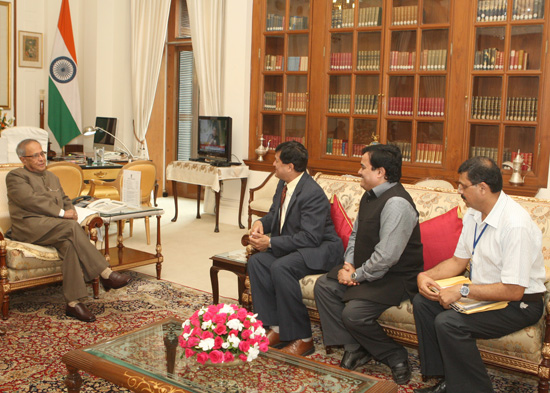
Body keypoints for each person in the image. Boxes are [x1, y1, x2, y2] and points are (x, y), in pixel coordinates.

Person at [412, 156, 546, 393]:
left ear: (482, 188)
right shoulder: (474, 214)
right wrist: (425, 276)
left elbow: (514, 290)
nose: (459, 191)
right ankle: (446, 380)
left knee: (449, 322)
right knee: (423, 301)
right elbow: (457, 261)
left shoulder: (515, 224)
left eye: (463, 186)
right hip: (486, 296)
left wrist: (463, 290)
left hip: (520, 304)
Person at [314, 143, 423, 385]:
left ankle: (394, 355)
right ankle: (355, 347)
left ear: (380, 172)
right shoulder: (370, 194)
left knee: (354, 314)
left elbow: (387, 257)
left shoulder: (397, 203)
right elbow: (355, 234)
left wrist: (356, 276)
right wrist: (348, 265)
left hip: (396, 277)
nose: (359, 171)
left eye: (363, 167)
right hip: (367, 270)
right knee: (324, 286)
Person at [6, 139, 132, 323]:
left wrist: (71, 211)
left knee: (69, 244)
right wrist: (63, 214)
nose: (42, 159)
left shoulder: (51, 176)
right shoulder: (15, 176)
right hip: (29, 227)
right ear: (23, 159)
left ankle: (73, 303)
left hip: (55, 227)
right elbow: (31, 201)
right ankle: (105, 274)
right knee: (71, 227)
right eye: (35, 156)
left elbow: (65, 198)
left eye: (42, 154)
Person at [247, 141, 344, 356]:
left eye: (277, 161)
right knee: (257, 262)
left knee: (281, 267)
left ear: (290, 166)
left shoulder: (312, 193)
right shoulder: (283, 184)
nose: (273, 164)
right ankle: (278, 328)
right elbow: (275, 214)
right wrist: (261, 222)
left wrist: (270, 243)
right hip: (298, 246)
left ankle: (304, 338)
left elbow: (310, 237)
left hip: (321, 249)